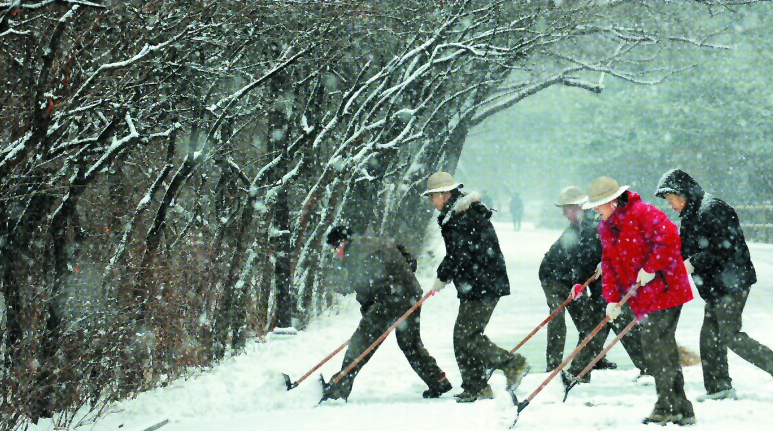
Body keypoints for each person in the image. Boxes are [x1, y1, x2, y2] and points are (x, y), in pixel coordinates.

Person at [581, 176, 695, 426]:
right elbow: (609, 264)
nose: (597, 211)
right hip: (643, 295)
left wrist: (652, 267)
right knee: (662, 346)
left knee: (654, 345)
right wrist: (612, 300)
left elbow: (670, 239)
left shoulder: (643, 213)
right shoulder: (606, 227)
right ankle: (681, 407)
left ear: (612, 201)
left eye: (599, 205)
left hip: (667, 288)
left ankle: (667, 405)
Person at [656, 169, 773, 401]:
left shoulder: (712, 209)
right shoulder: (691, 214)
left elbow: (723, 246)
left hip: (732, 282)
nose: (670, 205)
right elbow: (685, 249)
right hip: (716, 287)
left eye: (671, 199)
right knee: (709, 338)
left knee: (729, 335)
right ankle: (719, 388)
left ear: (682, 193)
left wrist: (693, 262)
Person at [421, 172, 530, 403]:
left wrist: (442, 276)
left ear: (445, 194)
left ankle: (512, 364)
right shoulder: (456, 215)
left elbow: (459, 253)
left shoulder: (462, 217)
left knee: (466, 336)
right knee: (463, 336)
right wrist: (447, 275)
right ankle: (476, 385)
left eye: (433, 196)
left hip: (484, 282)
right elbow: (459, 254)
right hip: (476, 282)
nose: (432, 201)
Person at [320, 226, 452, 401]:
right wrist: (402, 280)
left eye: (335, 249)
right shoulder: (375, 241)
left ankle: (337, 389)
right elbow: (409, 260)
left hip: (389, 298)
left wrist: (369, 317)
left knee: (362, 344)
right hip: (411, 295)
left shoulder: (354, 255)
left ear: (342, 243)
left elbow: (364, 291)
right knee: (410, 343)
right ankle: (438, 381)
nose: (337, 254)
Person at [542, 187, 648, 378]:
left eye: (567, 209)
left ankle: (582, 369)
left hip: (607, 283)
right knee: (592, 323)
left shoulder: (597, 223)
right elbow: (583, 259)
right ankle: (575, 369)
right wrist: (579, 283)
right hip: (570, 281)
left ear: (578, 206)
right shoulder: (581, 226)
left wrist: (607, 264)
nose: (565, 214)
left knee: (607, 321)